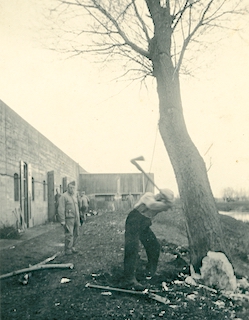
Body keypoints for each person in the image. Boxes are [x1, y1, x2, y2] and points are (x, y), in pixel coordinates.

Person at [123, 188, 174, 289]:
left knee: (154, 246)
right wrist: (167, 204)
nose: (161, 200)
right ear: (159, 195)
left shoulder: (162, 204)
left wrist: (168, 204)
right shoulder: (148, 196)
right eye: (161, 197)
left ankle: (149, 273)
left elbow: (164, 207)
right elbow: (151, 205)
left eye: (164, 200)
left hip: (144, 224)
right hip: (134, 220)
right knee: (132, 248)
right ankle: (129, 279)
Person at [58, 181, 80, 255]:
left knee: (76, 233)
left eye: (73, 188)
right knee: (69, 234)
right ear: (68, 188)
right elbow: (61, 209)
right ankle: (67, 249)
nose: (72, 189)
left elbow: (77, 208)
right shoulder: (63, 196)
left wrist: (79, 218)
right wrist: (62, 221)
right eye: (70, 188)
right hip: (68, 219)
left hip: (76, 218)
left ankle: (73, 247)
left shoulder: (74, 197)